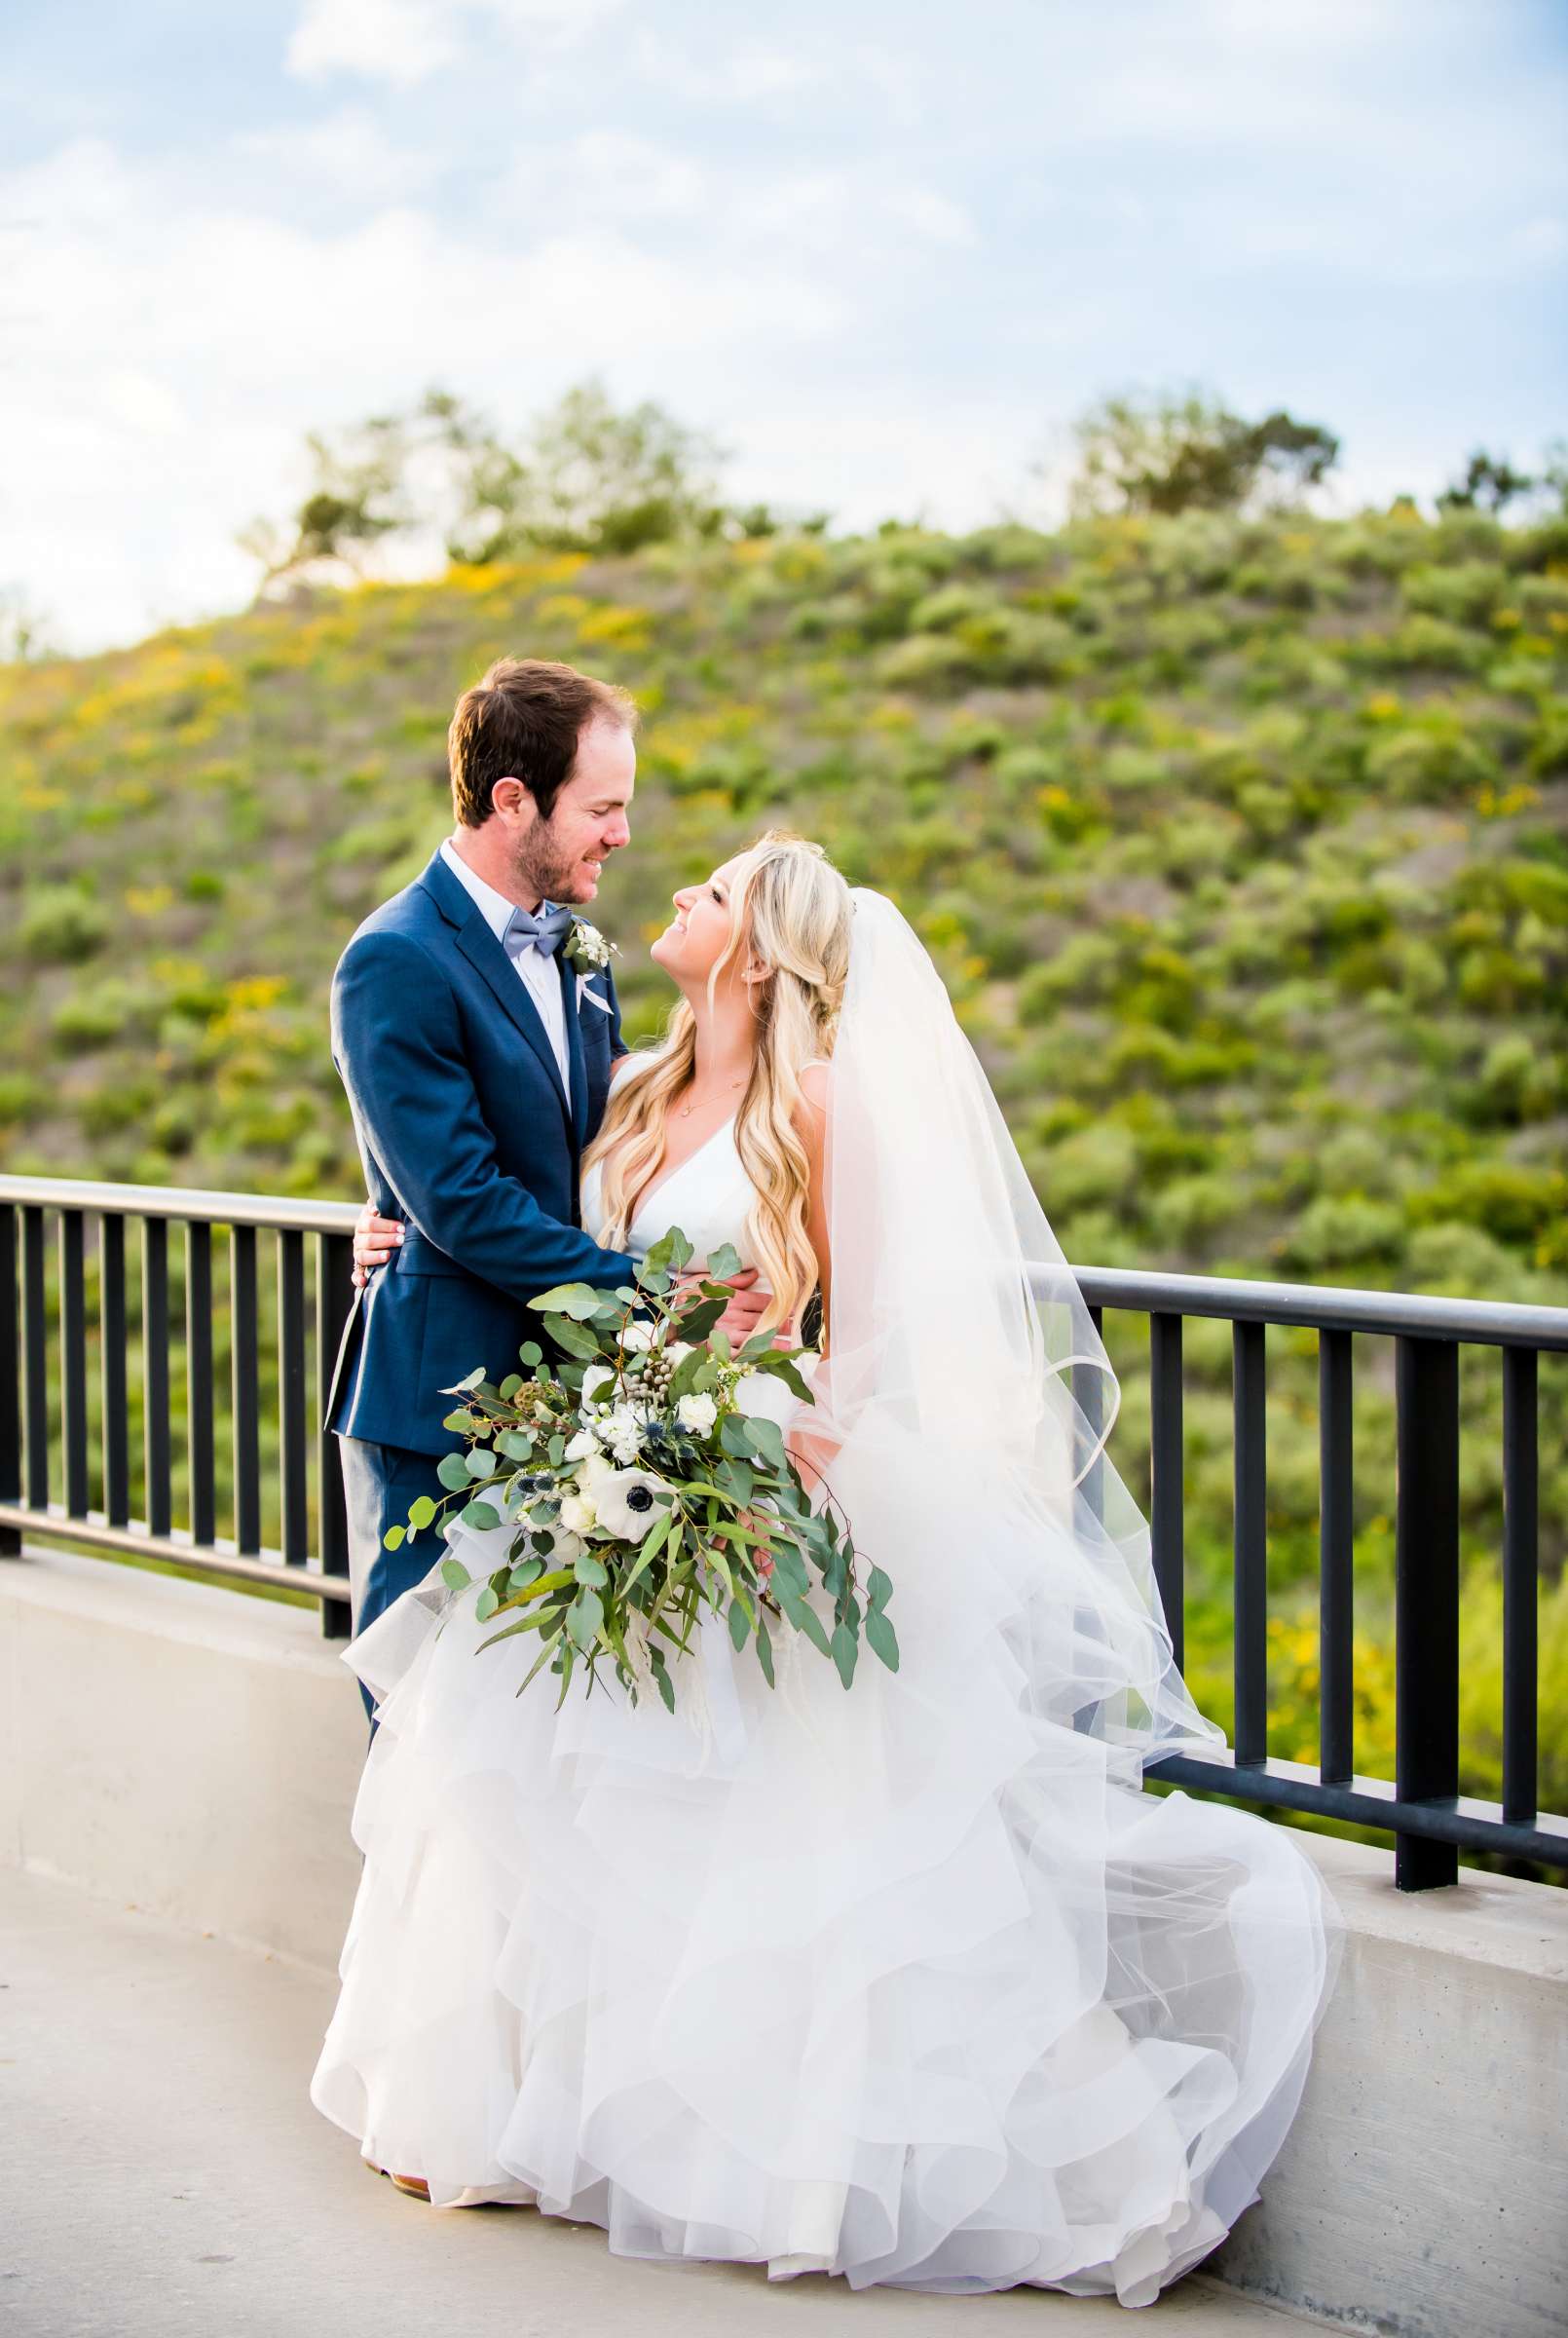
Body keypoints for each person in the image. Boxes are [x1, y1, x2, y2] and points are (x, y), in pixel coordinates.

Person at [312, 832, 1342, 2304]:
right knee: (573, 1803)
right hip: (612, 1476)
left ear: (758, 947)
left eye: (712, 891)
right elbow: (517, 1221)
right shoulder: (631, 1084)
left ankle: (845, 2165)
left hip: (761, 1486)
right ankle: (555, 2121)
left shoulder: (821, 1103)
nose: (676, 891)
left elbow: (864, 1342)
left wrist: (776, 1447)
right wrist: (390, 1236)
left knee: (796, 1839)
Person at [323, 656, 769, 1712]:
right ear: (511, 800)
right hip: (446, 1408)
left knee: (535, 1728)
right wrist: (661, 1299)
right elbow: (465, 1201)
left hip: (576, 1407)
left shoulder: (580, 946)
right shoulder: (393, 959)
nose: (620, 836)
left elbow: (587, 1139)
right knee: (425, 1718)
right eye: (601, 809)